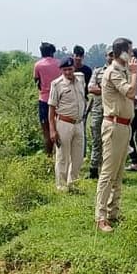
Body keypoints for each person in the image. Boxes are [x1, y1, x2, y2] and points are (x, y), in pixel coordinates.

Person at [95, 38, 137, 233]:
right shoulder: (113, 72)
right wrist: (135, 73)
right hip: (114, 126)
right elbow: (130, 92)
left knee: (118, 173)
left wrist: (132, 72)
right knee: (108, 173)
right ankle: (100, 217)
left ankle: (113, 212)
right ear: (122, 53)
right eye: (130, 51)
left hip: (124, 126)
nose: (132, 55)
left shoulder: (123, 71)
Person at [48, 57, 86, 191]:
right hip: (64, 123)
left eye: (70, 69)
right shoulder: (57, 84)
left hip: (79, 123)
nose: (68, 72)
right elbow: (51, 109)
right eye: (65, 70)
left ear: (74, 68)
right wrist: (52, 130)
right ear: (61, 70)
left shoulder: (80, 79)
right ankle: (61, 185)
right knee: (63, 156)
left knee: (78, 156)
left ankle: (73, 183)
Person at [86, 50, 114, 179]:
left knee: (111, 142)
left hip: (113, 112)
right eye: (110, 55)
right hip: (98, 111)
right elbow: (91, 88)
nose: (112, 57)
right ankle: (93, 169)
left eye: (114, 55)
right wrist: (109, 89)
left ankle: (108, 171)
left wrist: (101, 88)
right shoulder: (97, 71)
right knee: (96, 140)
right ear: (106, 56)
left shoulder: (121, 72)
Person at [34, 42, 61, 156]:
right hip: (59, 100)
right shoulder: (59, 63)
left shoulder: (38, 65)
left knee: (46, 131)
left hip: (44, 99)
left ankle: (48, 156)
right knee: (60, 128)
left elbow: (36, 81)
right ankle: (59, 155)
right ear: (52, 52)